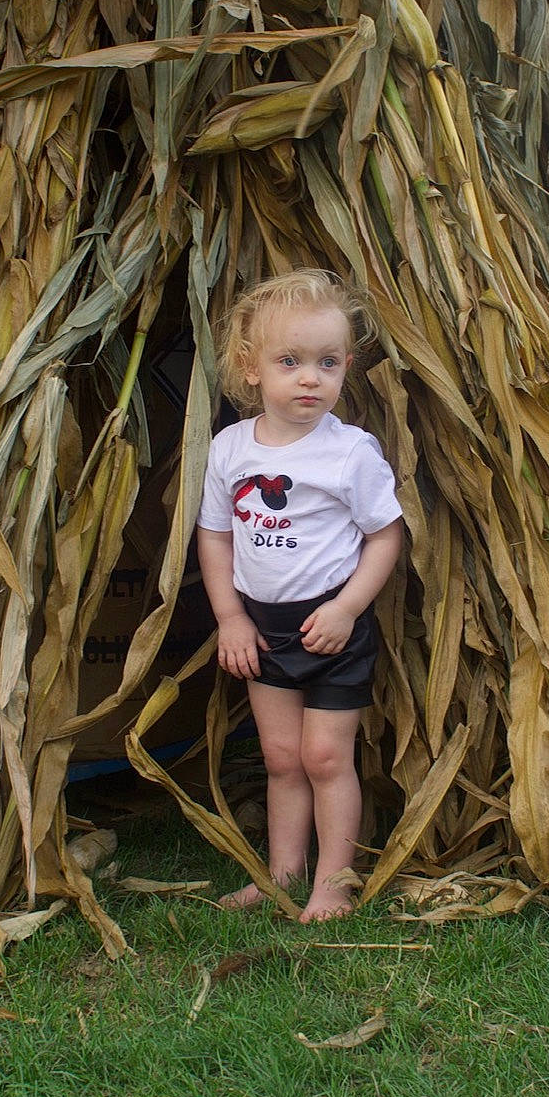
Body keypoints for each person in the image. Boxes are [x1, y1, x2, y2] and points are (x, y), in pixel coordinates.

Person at [197, 269, 404, 923]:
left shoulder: (350, 453)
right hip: (263, 630)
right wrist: (229, 616)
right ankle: (279, 875)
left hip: (332, 631)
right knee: (282, 757)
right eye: (290, 361)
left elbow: (385, 535)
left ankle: (334, 883)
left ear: (346, 366)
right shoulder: (230, 447)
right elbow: (215, 535)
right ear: (250, 367)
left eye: (327, 362)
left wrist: (347, 609)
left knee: (323, 756)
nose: (310, 377)